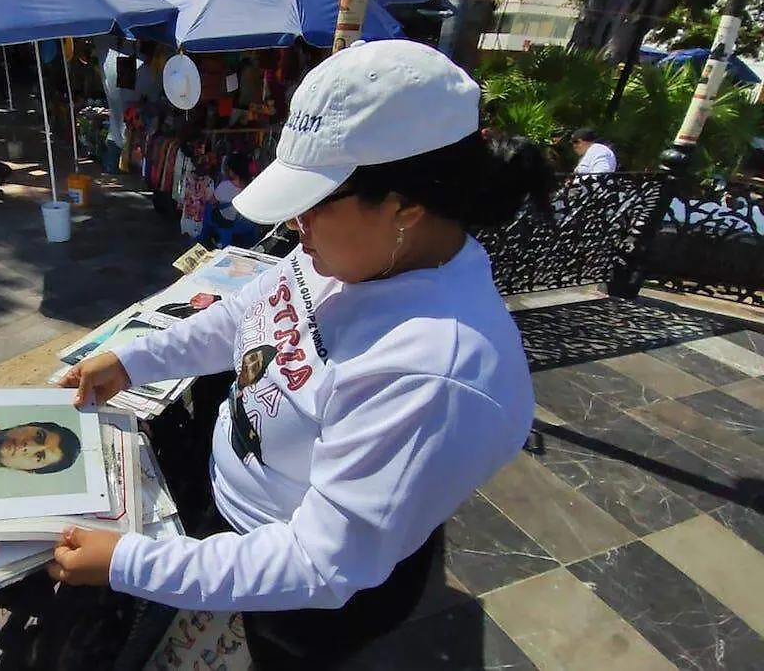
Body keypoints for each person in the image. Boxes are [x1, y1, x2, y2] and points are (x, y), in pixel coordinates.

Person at [49, 40, 551, 669]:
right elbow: (248, 316)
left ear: (404, 206)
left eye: (312, 203)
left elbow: (320, 562)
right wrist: (134, 359)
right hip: (235, 514)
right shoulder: (356, 253)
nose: (294, 224)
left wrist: (127, 563)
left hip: (305, 600)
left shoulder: (434, 372)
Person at [0, 406, 83, 501]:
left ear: (28, 471)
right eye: (39, 436)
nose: (28, 446)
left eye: (39, 456)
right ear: (28, 425)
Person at [210, 153, 260, 248]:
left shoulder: (224, 186)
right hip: (248, 227)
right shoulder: (255, 187)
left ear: (232, 171)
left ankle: (220, 243)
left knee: (213, 212)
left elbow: (211, 201)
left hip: (229, 227)